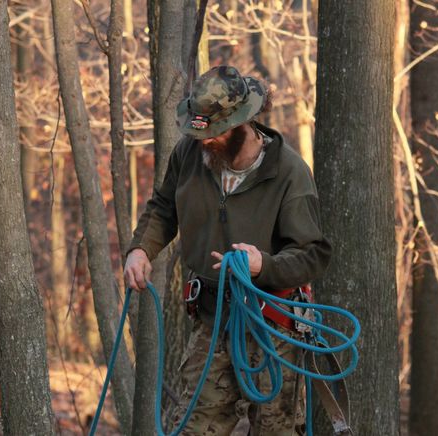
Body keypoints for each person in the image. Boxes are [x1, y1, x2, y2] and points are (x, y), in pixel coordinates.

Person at [123, 65, 331, 435]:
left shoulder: (288, 172)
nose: (205, 142)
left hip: (272, 325)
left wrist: (261, 266)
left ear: (242, 125)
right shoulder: (189, 154)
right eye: (199, 133)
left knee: (276, 431)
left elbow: (312, 254)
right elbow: (163, 207)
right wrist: (141, 249)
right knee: (191, 427)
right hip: (211, 320)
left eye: (215, 134)